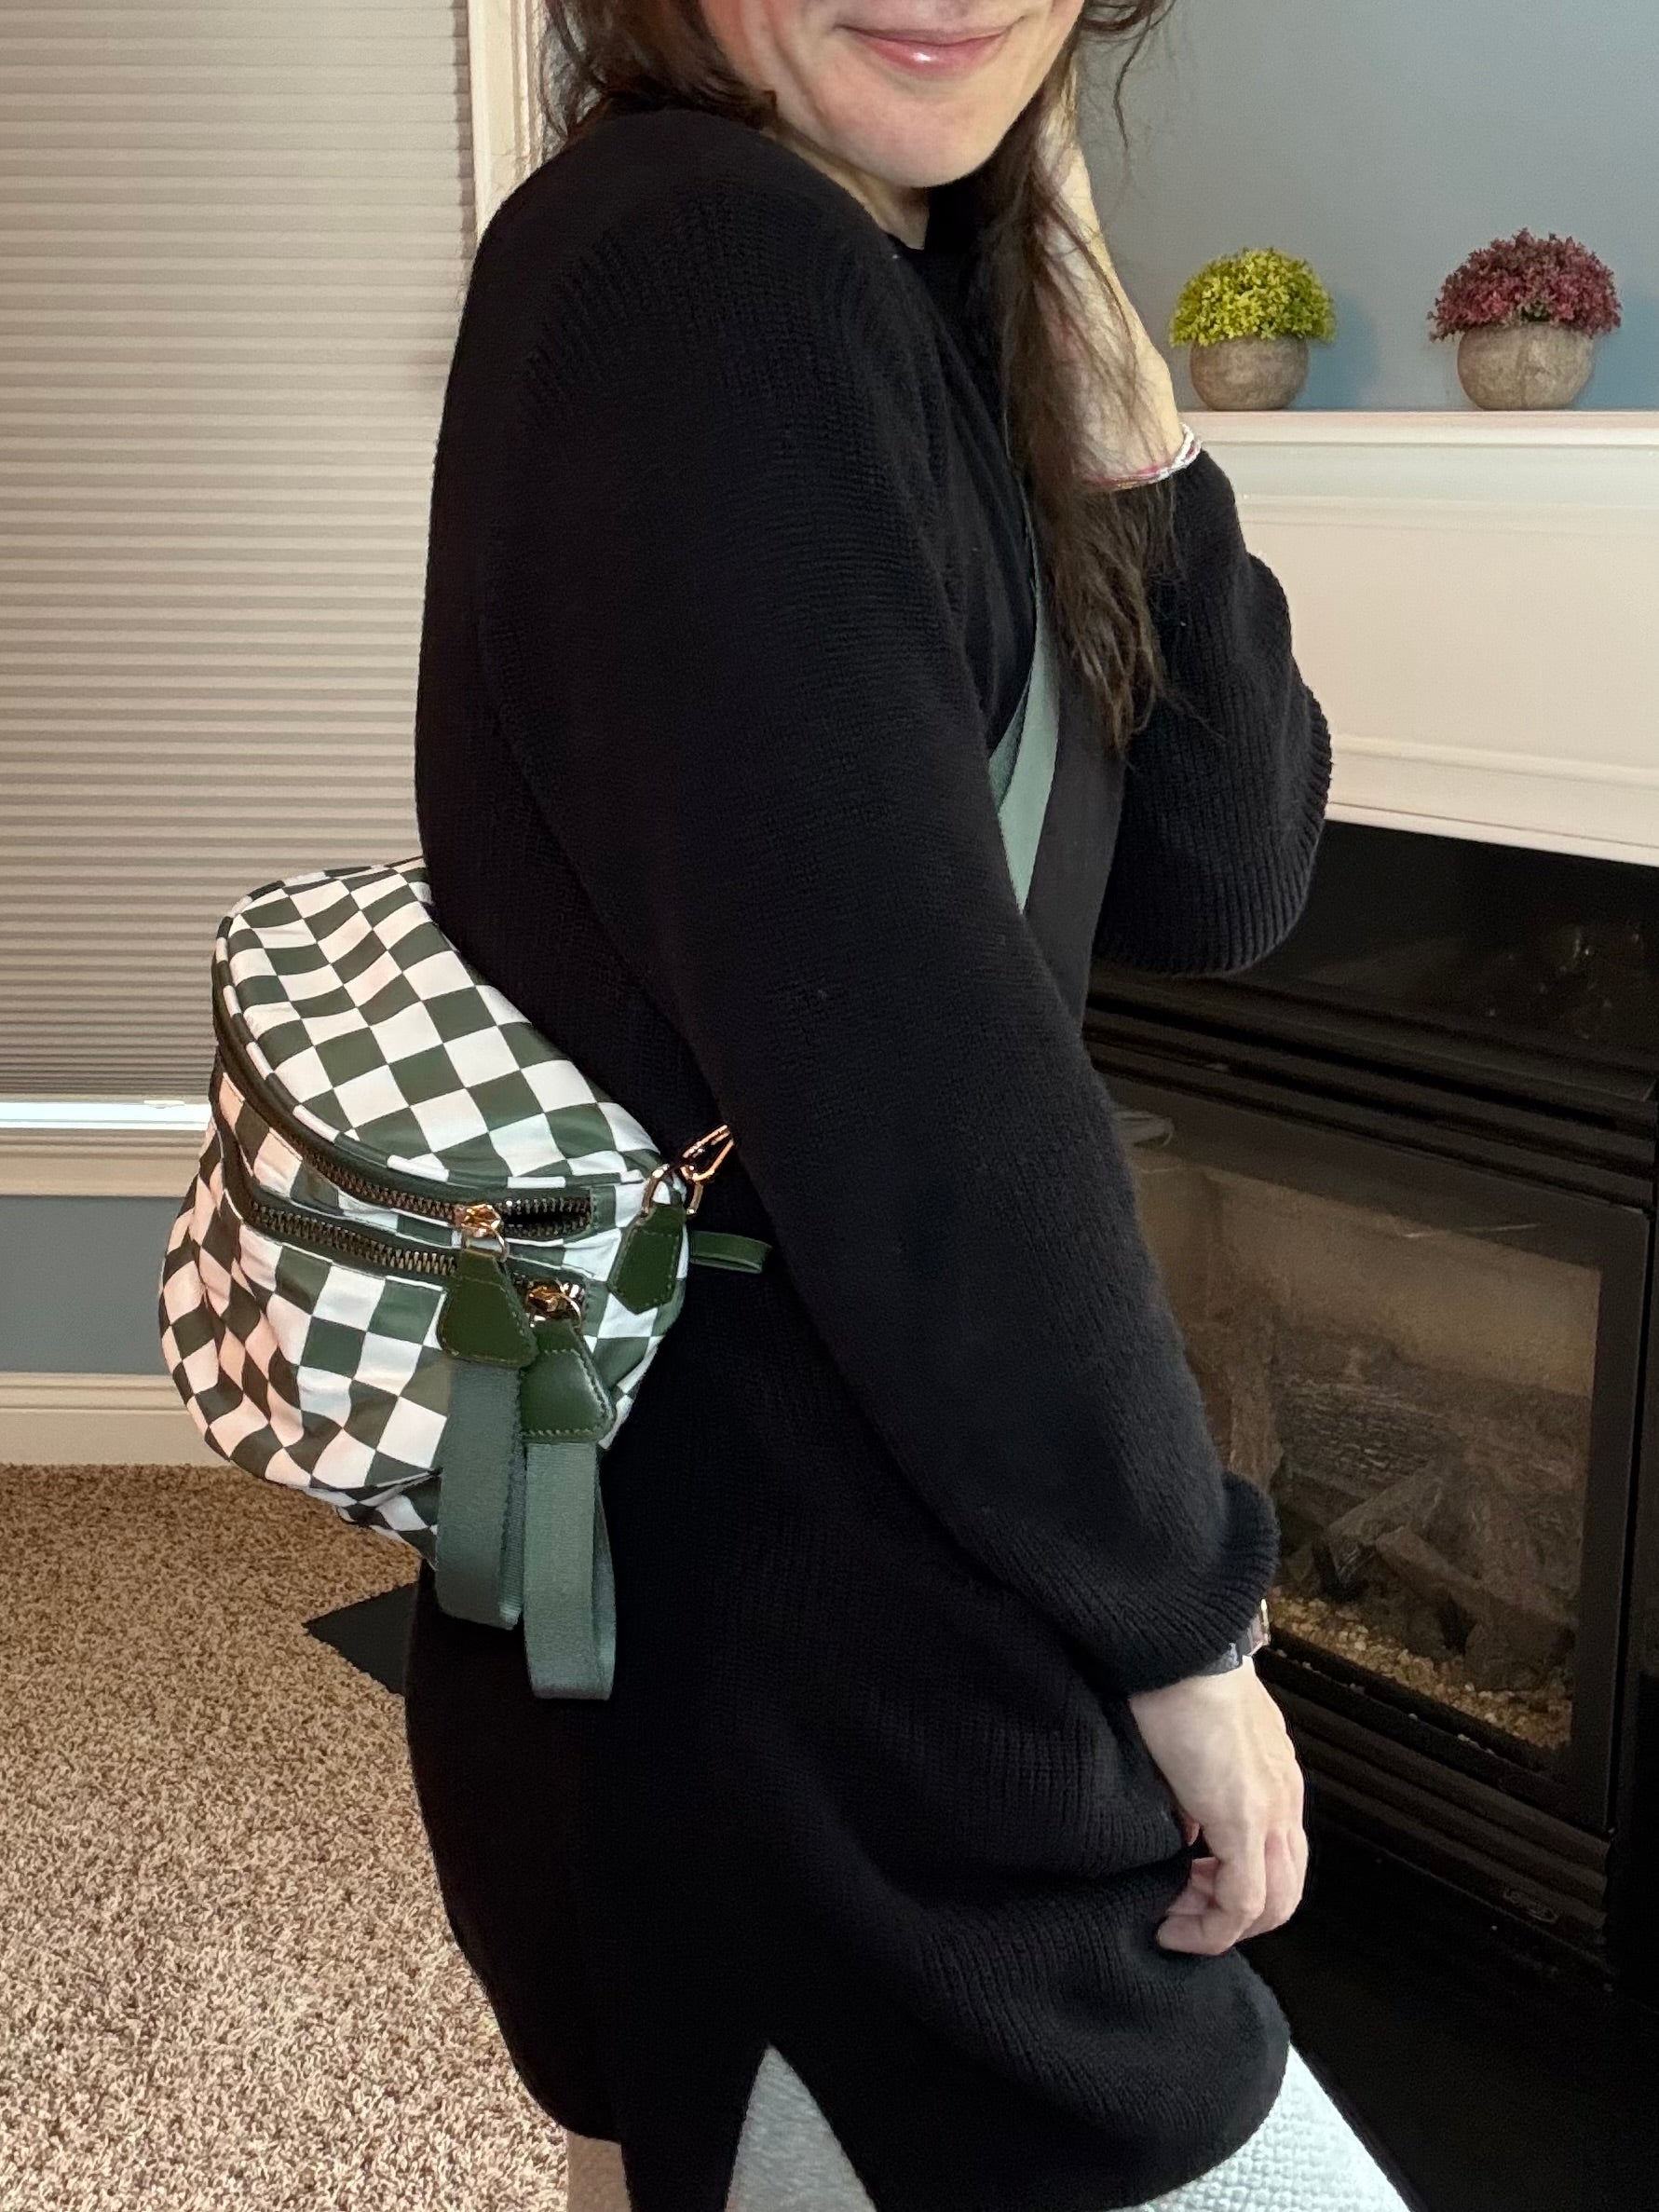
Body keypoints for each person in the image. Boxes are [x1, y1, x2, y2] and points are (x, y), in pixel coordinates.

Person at [401, 2, 1410, 2207]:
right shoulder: (702, 272)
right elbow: (918, 1075)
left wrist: (1098, 360)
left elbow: (1224, 872)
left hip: (770, 1588)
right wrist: (1179, 1616)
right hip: (837, 1670)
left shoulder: (899, 294)